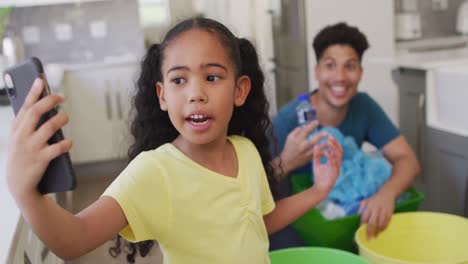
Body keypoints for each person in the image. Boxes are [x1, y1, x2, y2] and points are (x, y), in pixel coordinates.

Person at [6, 18, 343, 263]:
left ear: (239, 90)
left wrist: (319, 191)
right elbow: (74, 239)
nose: (195, 93)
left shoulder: (247, 151)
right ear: (162, 95)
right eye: (179, 80)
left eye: (212, 77)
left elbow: (259, 223)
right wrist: (25, 192)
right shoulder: (155, 171)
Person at [269, 22, 420, 249]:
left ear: (360, 72)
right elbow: (251, 190)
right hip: (297, 228)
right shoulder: (289, 120)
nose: (340, 77)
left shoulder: (363, 106)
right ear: (317, 71)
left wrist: (386, 194)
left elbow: (407, 160)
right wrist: (286, 162)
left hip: (345, 220)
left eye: (350, 66)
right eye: (330, 65)